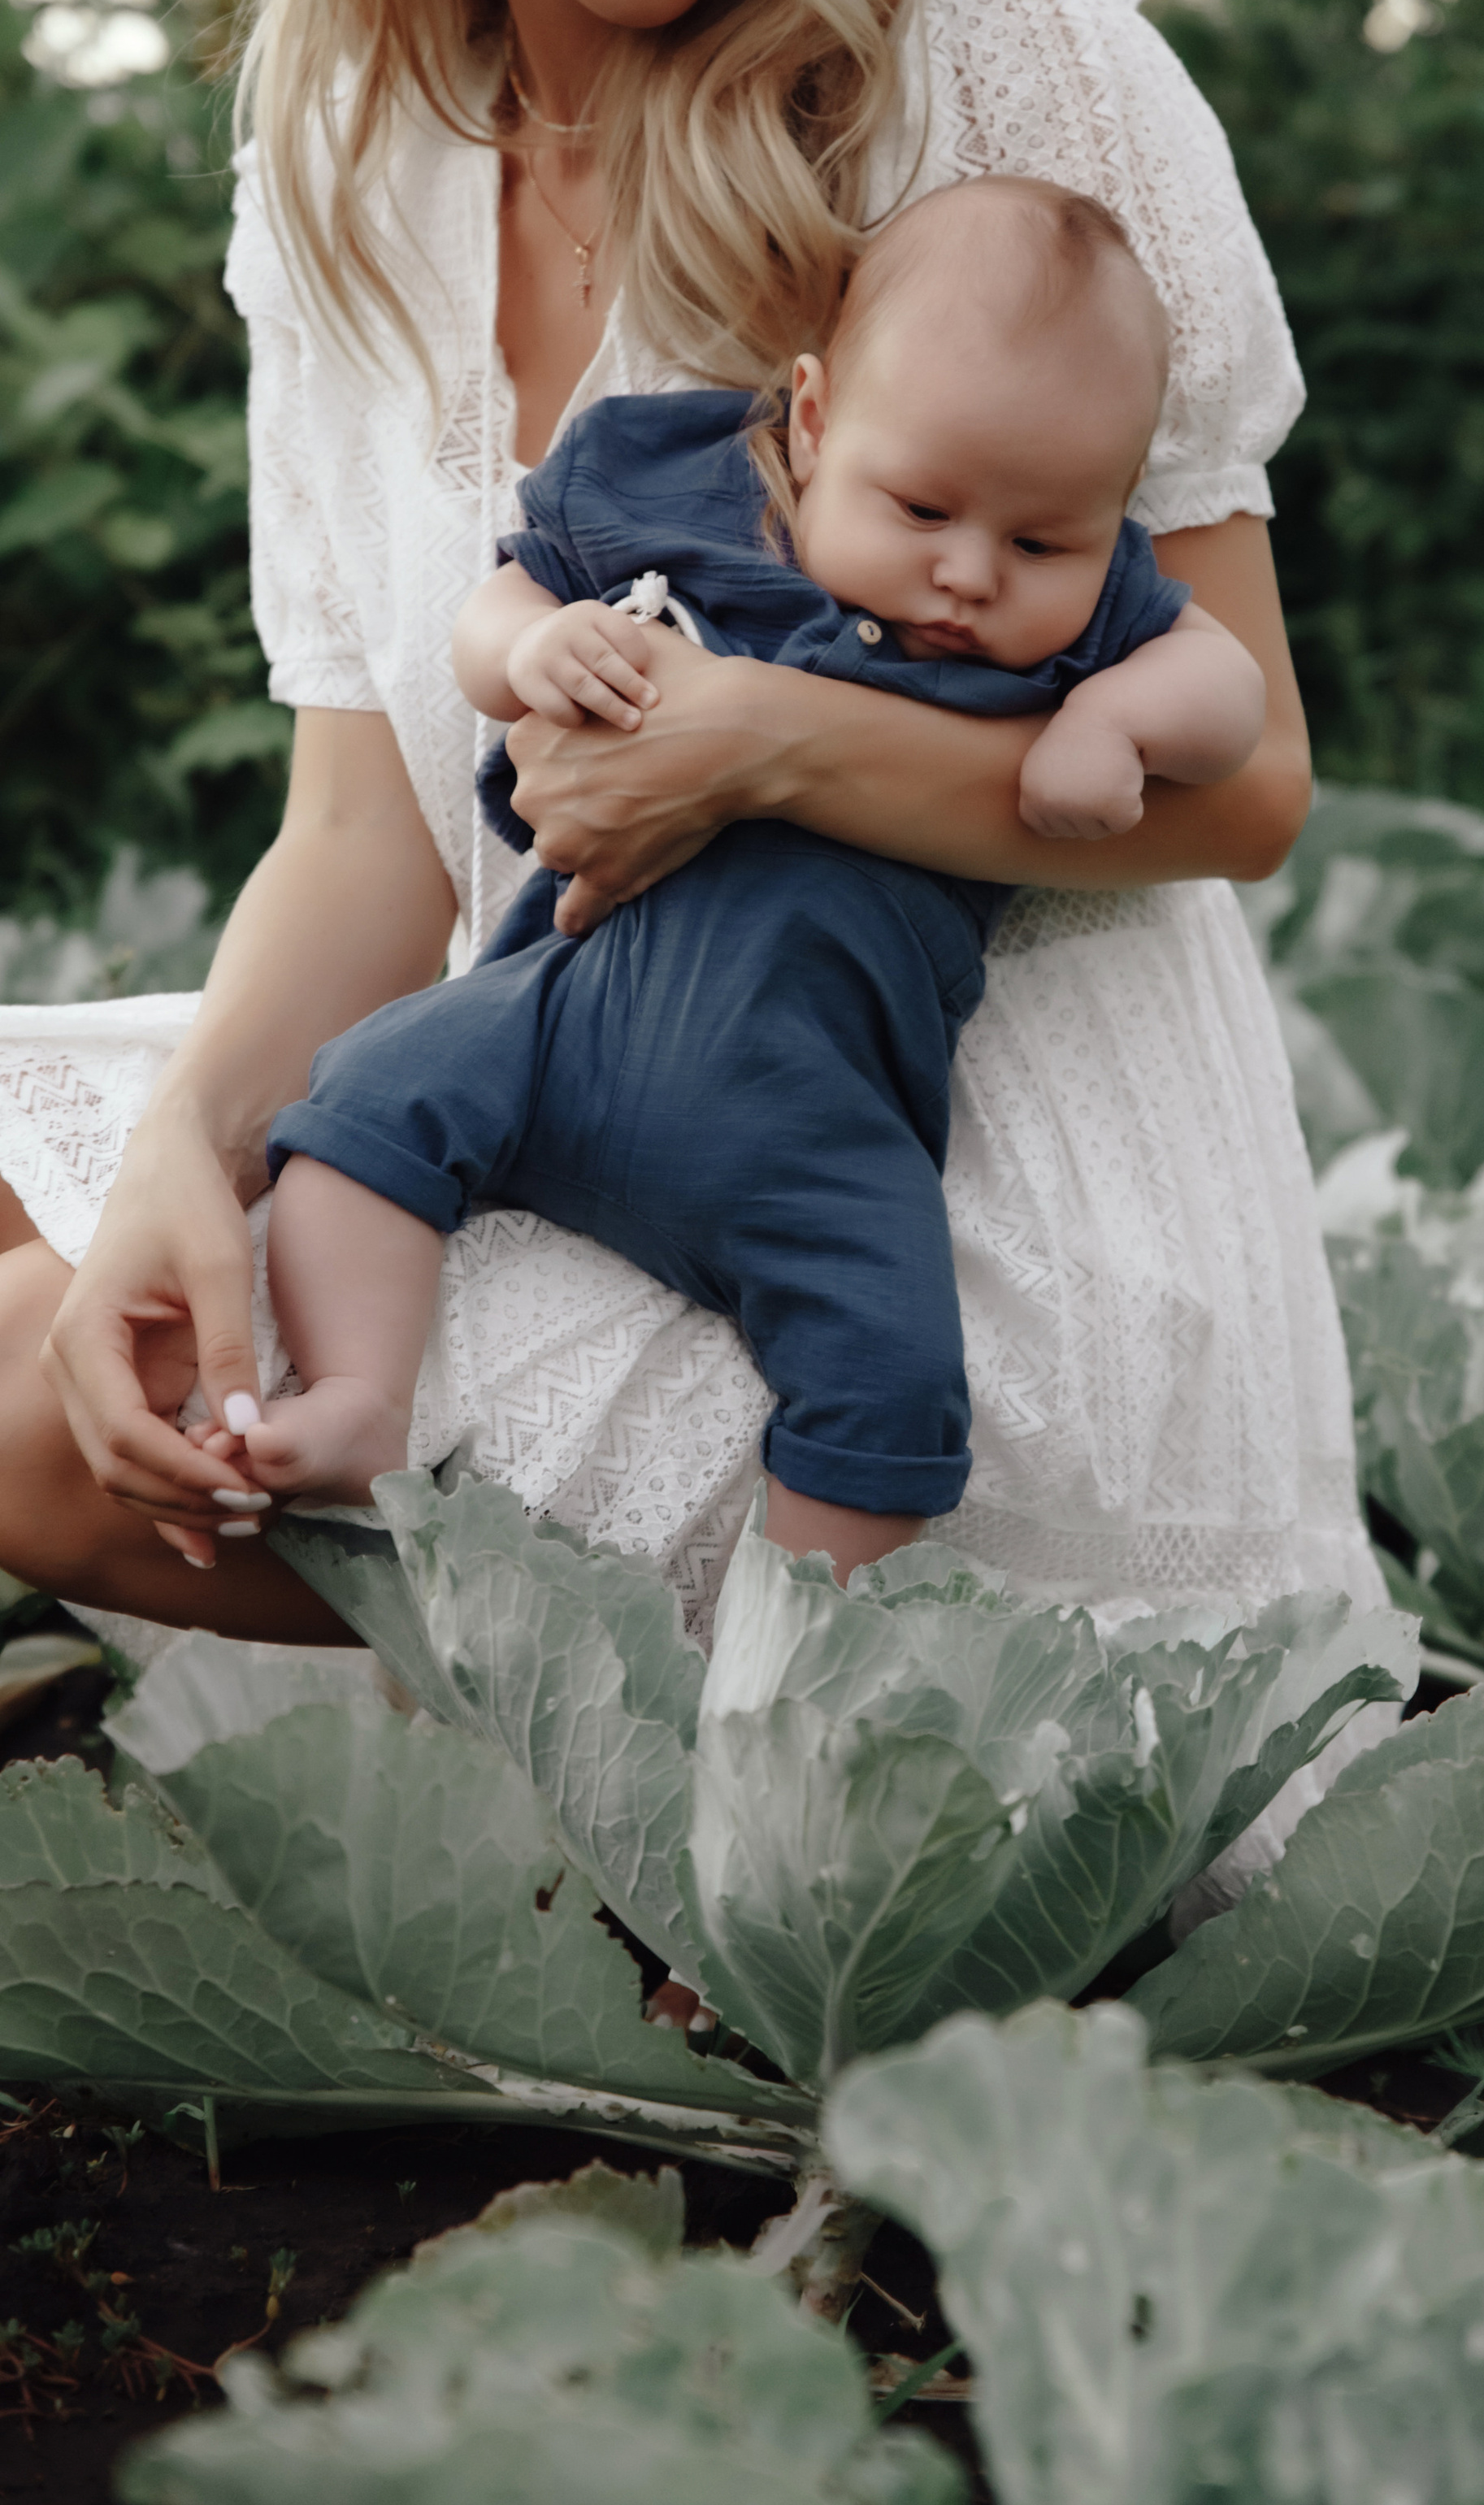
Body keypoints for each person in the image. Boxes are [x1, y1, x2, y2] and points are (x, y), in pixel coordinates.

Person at [0, 0, 1383, 1654]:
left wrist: (765, 742)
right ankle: (577, 1762)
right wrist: (184, 1146)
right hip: (552, 1060)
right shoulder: (346, 151)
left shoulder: (983, 54)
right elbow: (364, 834)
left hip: (941, 1194)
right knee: (56, 1238)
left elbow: (1250, 791)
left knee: (22, 1398)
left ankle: (788, 1737)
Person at [222, 176, 1265, 1568]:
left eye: (1038, 544)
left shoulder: (1098, 623)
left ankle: (801, 1625)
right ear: (814, 422)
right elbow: (497, 604)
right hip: (561, 1014)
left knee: (895, 1373)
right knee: (363, 1099)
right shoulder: (694, 493)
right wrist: (532, 646)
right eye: (923, 507)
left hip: (817, 1114)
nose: (968, 574)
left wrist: (1113, 719)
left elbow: (1232, 692)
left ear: (1111, 513)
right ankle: (360, 1394)